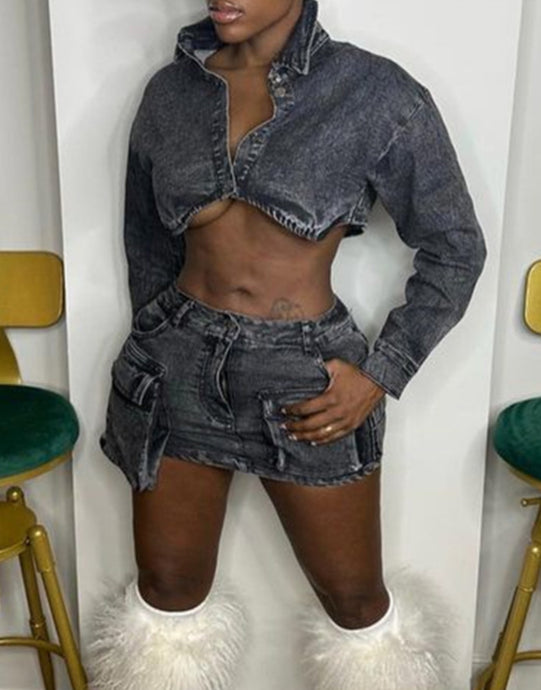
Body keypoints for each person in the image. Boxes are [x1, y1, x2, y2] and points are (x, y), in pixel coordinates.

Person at [87, 0, 487, 688]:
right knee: (166, 594)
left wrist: (381, 373)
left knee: (355, 603)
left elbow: (456, 249)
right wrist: (152, 352)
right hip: (176, 365)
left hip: (304, 377)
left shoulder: (373, 92)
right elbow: (147, 245)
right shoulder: (171, 91)